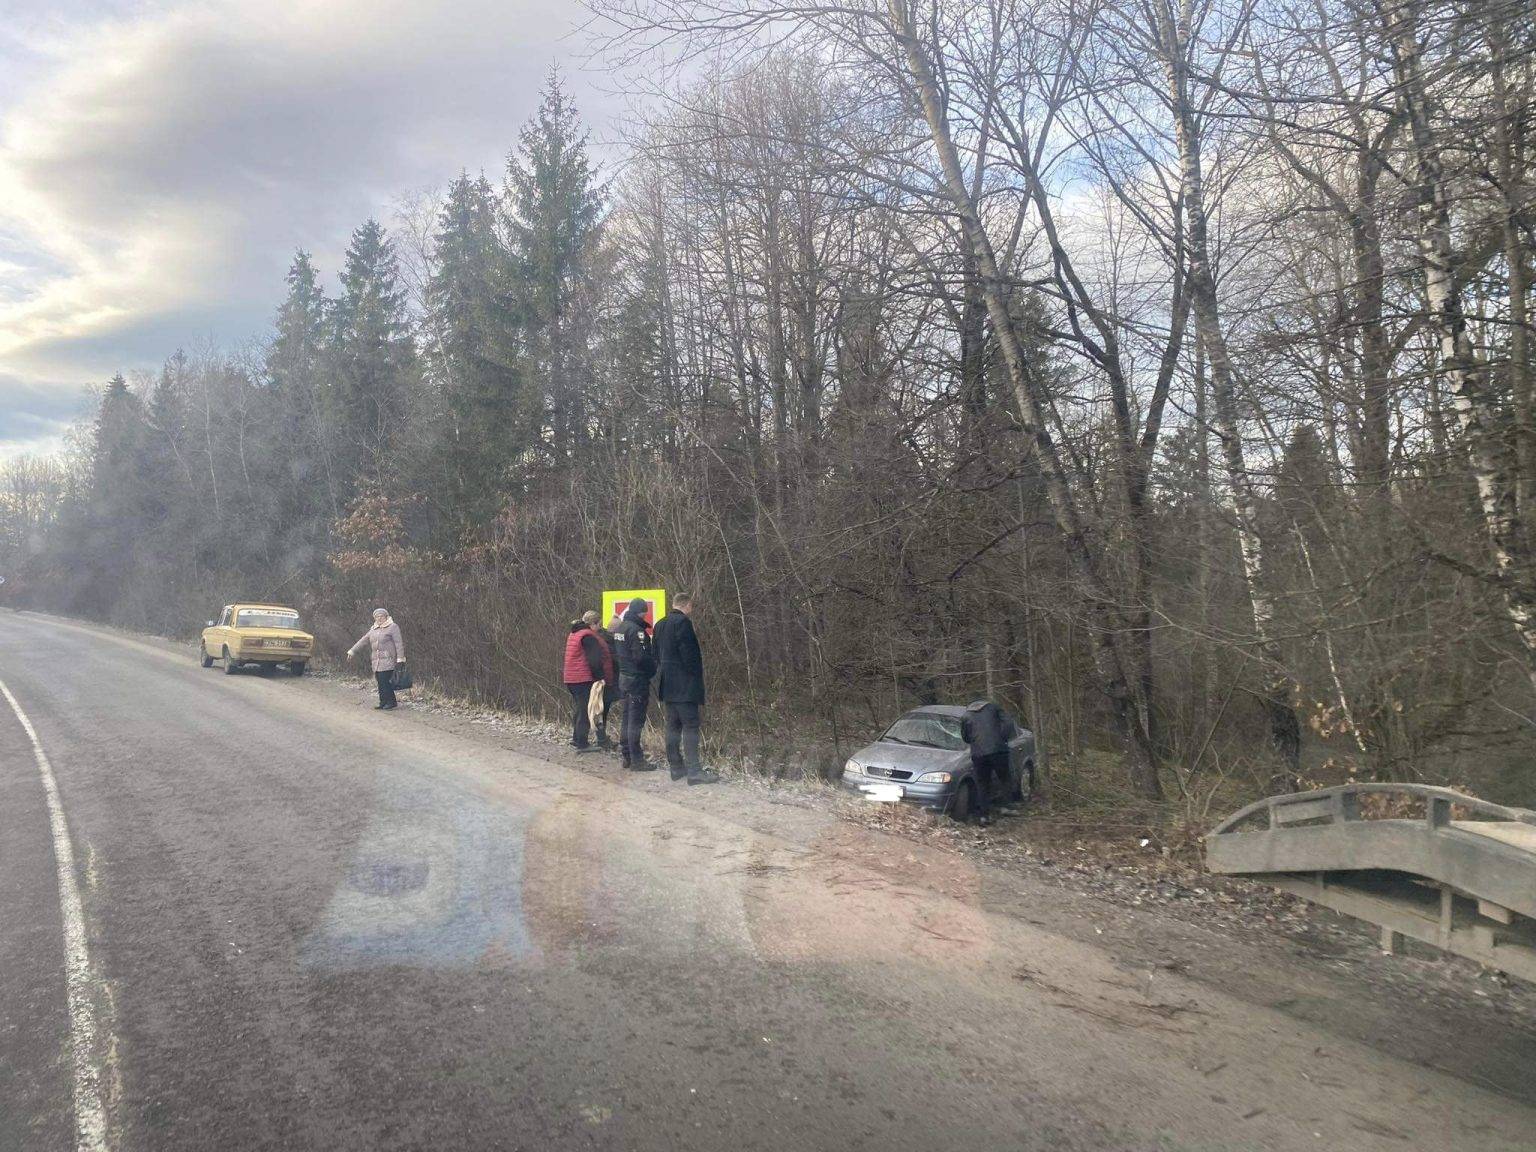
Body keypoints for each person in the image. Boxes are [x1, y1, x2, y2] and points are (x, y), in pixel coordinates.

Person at [653, 592, 718, 785]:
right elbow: (690, 655)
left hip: (667, 685)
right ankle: (694, 771)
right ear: (687, 605)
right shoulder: (683, 623)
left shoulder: (660, 624)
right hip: (684, 685)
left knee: (672, 726)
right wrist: (695, 676)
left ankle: (676, 768)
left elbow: (655, 654)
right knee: (690, 726)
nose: (691, 610)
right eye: (691, 606)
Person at [610, 596, 658, 771]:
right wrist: (652, 669)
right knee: (635, 720)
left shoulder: (620, 628)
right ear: (642, 611)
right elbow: (641, 657)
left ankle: (627, 755)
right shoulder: (636, 631)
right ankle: (637, 760)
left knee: (626, 718)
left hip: (624, 678)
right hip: (637, 679)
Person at [960, 699, 1018, 826]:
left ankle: (984, 816)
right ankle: (1006, 806)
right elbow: (1008, 722)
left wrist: (975, 741)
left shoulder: (966, 715)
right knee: (1005, 777)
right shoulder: (994, 707)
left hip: (978, 753)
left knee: (982, 783)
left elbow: (965, 737)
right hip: (998, 750)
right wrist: (1002, 737)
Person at [562, 616, 613, 750]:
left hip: (571, 677)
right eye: (599, 625)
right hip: (583, 678)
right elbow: (594, 660)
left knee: (579, 708)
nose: (600, 628)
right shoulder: (589, 637)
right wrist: (600, 677)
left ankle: (576, 738)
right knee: (586, 710)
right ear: (593, 624)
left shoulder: (575, 633)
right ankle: (582, 743)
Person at [348, 607, 405, 710]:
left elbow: (399, 643)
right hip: (376, 661)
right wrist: (352, 651)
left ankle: (391, 702)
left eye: (381, 616)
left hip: (388, 659)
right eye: (377, 616)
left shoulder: (393, 627)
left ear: (386, 617)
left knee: (385, 681)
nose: (379, 618)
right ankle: (383, 702)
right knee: (380, 682)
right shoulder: (373, 629)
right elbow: (363, 640)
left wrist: (400, 659)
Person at [590, 610, 621, 748]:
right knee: (602, 709)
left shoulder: (599, 638)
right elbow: (614, 661)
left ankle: (600, 738)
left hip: (601, 680)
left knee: (600, 710)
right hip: (605, 681)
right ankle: (601, 739)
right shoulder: (609, 642)